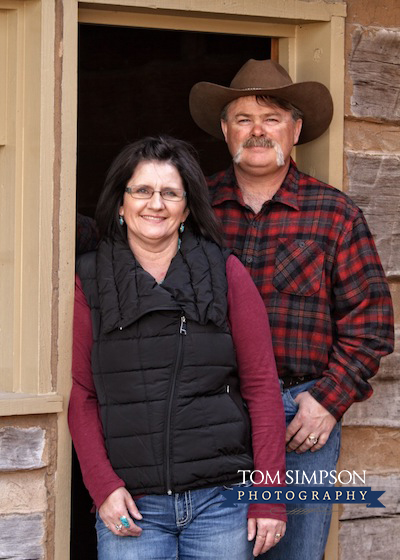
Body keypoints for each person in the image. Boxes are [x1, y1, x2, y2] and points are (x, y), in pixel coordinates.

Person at [189, 59, 394, 560]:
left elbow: (372, 323)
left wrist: (327, 400)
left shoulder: (336, 214)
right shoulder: (193, 211)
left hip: (300, 416)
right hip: (212, 413)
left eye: (273, 117)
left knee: (295, 552)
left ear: (296, 129)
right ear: (224, 129)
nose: (257, 132)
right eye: (243, 118)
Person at [69, 135, 288, 560]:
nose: (156, 203)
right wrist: (103, 487)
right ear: (121, 202)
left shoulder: (226, 272)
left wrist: (268, 495)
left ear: (186, 207)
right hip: (132, 505)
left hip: (221, 502)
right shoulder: (89, 280)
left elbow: (262, 387)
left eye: (170, 193)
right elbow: (83, 394)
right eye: (142, 191)